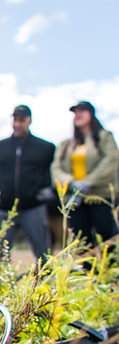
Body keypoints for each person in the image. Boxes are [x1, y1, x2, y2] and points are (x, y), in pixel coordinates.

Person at [0, 106, 56, 261]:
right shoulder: (0, 147)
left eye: (21, 120)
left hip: (33, 207)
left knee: (43, 254)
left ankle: (44, 281)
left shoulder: (45, 148)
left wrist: (52, 190)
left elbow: (59, 168)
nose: (17, 124)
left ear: (29, 120)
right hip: (5, 208)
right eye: (15, 119)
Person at [51, 101, 119, 247]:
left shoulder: (104, 137)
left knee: (108, 239)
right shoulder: (66, 144)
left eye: (82, 110)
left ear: (91, 114)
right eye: (75, 112)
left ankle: (109, 269)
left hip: (101, 197)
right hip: (75, 199)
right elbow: (56, 168)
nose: (78, 114)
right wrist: (72, 183)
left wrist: (88, 182)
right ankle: (86, 270)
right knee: (81, 241)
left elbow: (111, 160)